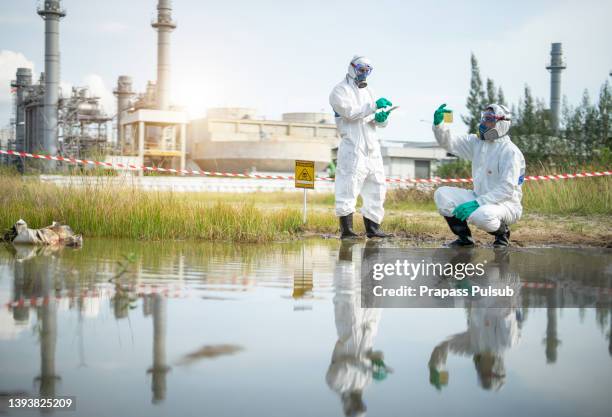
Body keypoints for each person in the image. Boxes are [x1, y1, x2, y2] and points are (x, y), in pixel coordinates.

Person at [431, 103, 526, 247]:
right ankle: (465, 240)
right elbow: (450, 144)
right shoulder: (477, 143)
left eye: (489, 119)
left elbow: (507, 189)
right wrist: (439, 125)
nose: (483, 123)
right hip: (479, 197)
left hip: (506, 205)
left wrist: (477, 203)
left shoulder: (510, 152)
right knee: (442, 194)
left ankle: (502, 234)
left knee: (481, 215)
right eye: (483, 118)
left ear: (501, 123)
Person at [329, 56, 393, 239]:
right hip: (353, 147)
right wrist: (373, 107)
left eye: (367, 70)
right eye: (361, 69)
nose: (364, 73)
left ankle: (373, 229)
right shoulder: (339, 91)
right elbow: (350, 113)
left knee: (377, 187)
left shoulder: (370, 91)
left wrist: (382, 119)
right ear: (351, 68)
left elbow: (377, 118)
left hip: (372, 147)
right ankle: (347, 231)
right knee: (348, 187)